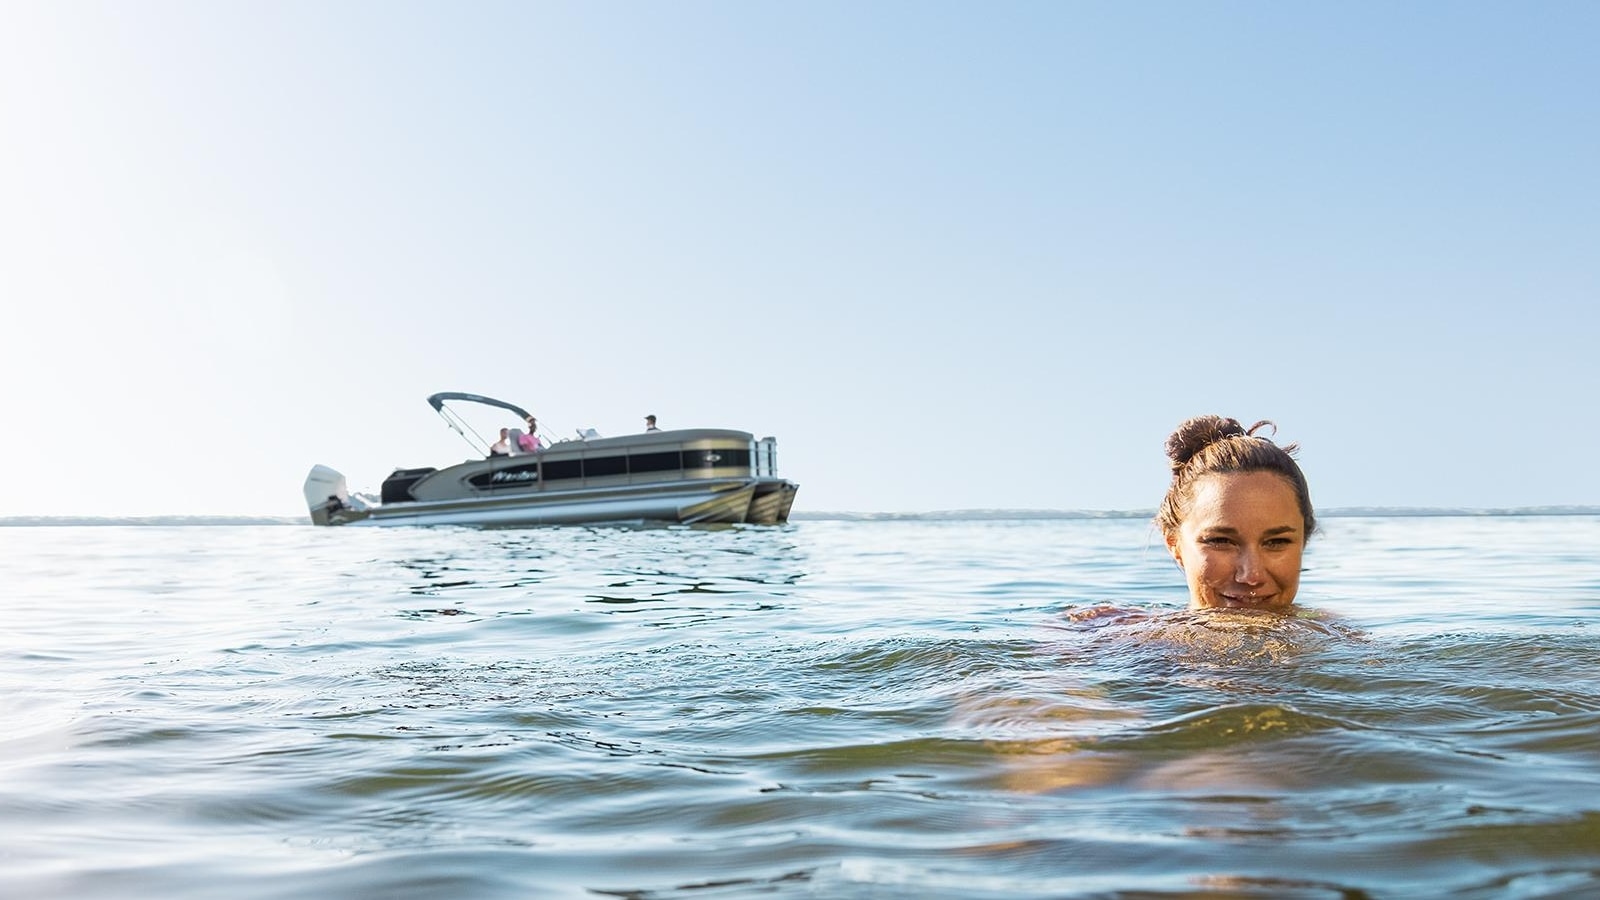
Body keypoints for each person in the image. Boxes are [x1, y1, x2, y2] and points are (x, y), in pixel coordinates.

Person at [1157, 415, 1315, 612]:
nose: (1251, 576)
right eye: (1221, 541)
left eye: (1277, 542)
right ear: (1174, 543)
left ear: (1303, 541)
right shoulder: (1122, 634)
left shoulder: (1342, 635)